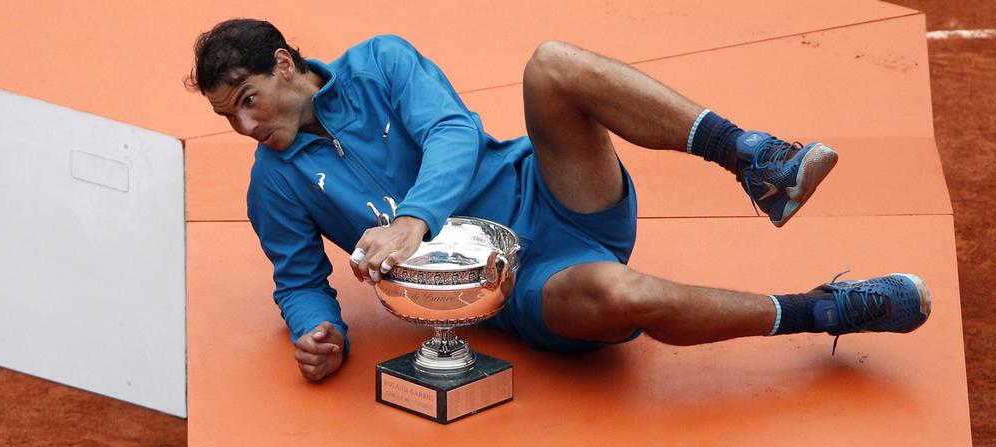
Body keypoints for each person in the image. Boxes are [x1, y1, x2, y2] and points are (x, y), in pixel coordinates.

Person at [187, 19, 931, 382]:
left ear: (285, 66)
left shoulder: (380, 61)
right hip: (526, 283)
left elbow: (450, 129)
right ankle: (822, 309)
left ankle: (755, 158)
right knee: (621, 291)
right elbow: (296, 278)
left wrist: (414, 219)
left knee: (552, 65)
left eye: (249, 100)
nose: (248, 126)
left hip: (550, 190)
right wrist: (318, 333)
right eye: (230, 118)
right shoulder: (274, 180)